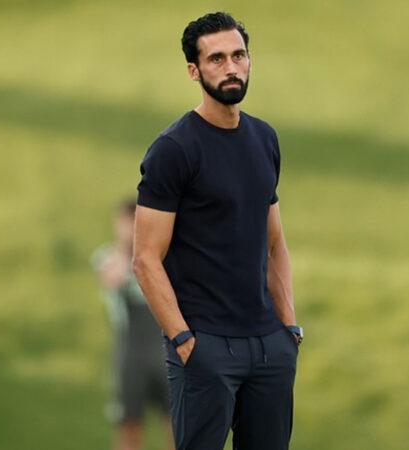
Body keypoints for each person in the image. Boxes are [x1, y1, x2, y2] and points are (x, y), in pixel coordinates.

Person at [131, 11, 302, 450]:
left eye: (239, 55)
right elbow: (145, 258)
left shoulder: (264, 138)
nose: (231, 67)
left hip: (269, 347)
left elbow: (275, 242)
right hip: (205, 347)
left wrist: (289, 329)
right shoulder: (174, 150)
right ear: (194, 70)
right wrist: (185, 340)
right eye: (217, 58)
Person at [91, 199, 173, 450]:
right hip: (130, 356)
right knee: (129, 429)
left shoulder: (163, 257)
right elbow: (111, 277)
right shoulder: (107, 256)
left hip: (164, 352)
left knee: (176, 427)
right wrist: (130, 247)